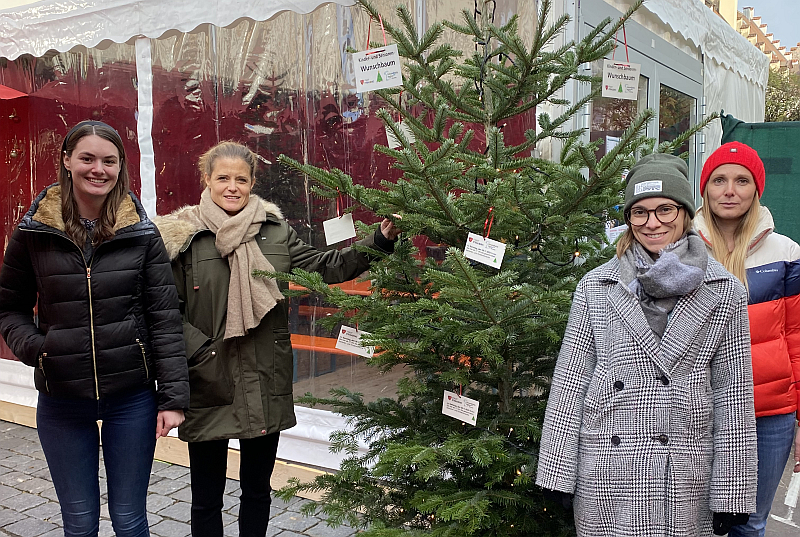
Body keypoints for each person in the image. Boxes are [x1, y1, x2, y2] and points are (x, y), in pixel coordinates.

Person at [154, 140, 400, 537]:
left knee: (257, 491)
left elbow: (325, 267)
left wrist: (381, 240)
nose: (232, 186)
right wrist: (201, 352)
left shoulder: (275, 232)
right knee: (206, 497)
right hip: (208, 378)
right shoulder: (182, 238)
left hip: (264, 376)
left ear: (252, 183)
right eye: (223, 178)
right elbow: (166, 312)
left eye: (241, 179)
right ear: (207, 180)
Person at [536, 153, 757, 537]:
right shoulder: (596, 286)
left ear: (686, 212)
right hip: (608, 465)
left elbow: (733, 394)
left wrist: (732, 494)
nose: (652, 222)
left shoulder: (725, 292)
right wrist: (557, 470)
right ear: (628, 219)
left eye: (664, 209)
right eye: (639, 212)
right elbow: (571, 381)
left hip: (684, 473)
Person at [0, 120, 189, 537]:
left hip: (131, 400)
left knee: (129, 520)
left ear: (121, 167)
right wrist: (40, 349)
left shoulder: (141, 234)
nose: (97, 169)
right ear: (67, 161)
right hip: (62, 399)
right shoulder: (34, 234)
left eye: (109, 161)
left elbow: (164, 317)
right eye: (87, 158)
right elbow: (8, 307)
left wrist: (172, 397)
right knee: (80, 524)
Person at [694, 141, 800, 537]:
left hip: (769, 413)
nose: (729, 190)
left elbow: (796, 336)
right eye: (719, 180)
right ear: (705, 188)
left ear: (756, 188)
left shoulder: (787, 252)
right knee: (694, 520)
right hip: (698, 408)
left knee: (750, 523)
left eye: (742, 180)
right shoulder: (679, 248)